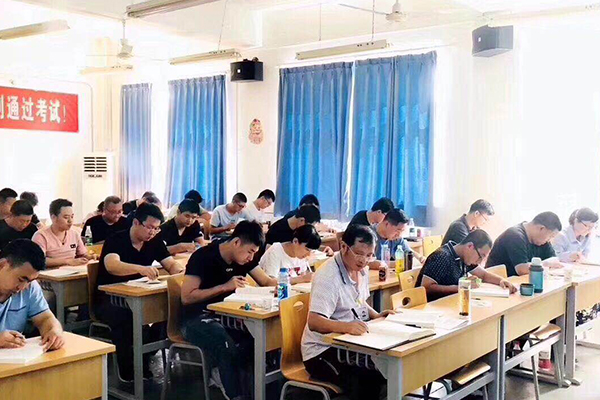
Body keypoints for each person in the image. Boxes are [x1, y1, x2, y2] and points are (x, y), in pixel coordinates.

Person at [180, 221, 275, 400]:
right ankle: (235, 395)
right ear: (236, 242)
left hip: (229, 316)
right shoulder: (203, 257)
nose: (251, 258)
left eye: (254, 253)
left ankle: (249, 388)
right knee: (225, 343)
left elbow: (266, 281)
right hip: (196, 319)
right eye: (250, 252)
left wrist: (294, 284)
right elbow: (186, 297)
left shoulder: (243, 259)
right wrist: (224, 287)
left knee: (258, 339)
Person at [93, 203, 184, 381]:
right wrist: (141, 269)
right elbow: (112, 265)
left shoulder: (154, 241)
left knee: (168, 312)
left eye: (156, 228)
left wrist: (180, 272)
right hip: (110, 299)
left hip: (140, 295)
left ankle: (143, 355)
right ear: (136, 222)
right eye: (149, 227)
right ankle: (128, 369)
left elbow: (170, 264)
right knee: (127, 317)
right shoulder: (116, 239)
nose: (152, 232)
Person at [301, 225, 392, 400]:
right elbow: (314, 321)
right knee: (368, 379)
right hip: (321, 351)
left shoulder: (361, 270)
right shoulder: (328, 276)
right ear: (343, 247)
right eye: (359, 253)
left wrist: (376, 315)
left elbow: (358, 302)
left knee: (385, 369)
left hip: (351, 344)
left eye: (369, 255)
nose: (364, 260)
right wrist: (347, 327)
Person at [417, 230, 517, 301]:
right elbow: (426, 288)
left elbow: (483, 275)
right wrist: (462, 286)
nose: (479, 261)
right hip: (431, 307)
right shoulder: (441, 256)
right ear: (470, 246)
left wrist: (501, 280)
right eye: (480, 256)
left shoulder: (463, 256)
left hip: (451, 303)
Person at [0, 239, 64, 351]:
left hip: (13, 357)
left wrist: (54, 331)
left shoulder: (30, 287)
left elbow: (45, 318)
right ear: (3, 265)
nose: (23, 287)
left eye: (29, 281)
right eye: (21, 279)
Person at [553, 208, 599, 326]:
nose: (589, 230)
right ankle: (572, 323)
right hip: (560, 278)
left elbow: (584, 257)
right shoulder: (561, 236)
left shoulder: (587, 237)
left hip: (577, 275)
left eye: (592, 227)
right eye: (586, 226)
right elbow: (552, 258)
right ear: (576, 221)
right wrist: (570, 256)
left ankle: (582, 319)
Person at [486, 211, 563, 276]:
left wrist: (542, 264)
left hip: (518, 283)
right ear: (541, 228)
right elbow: (521, 269)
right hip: (496, 284)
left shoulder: (542, 240)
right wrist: (546, 264)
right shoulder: (515, 235)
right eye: (551, 236)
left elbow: (555, 260)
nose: (549, 240)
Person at [32, 199, 89, 268]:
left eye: (72, 217)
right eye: (66, 217)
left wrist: (90, 257)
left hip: (73, 271)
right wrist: (67, 261)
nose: (70, 221)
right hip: (50, 273)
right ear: (53, 217)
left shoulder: (74, 233)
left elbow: (82, 254)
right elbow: (39, 260)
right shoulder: (41, 236)